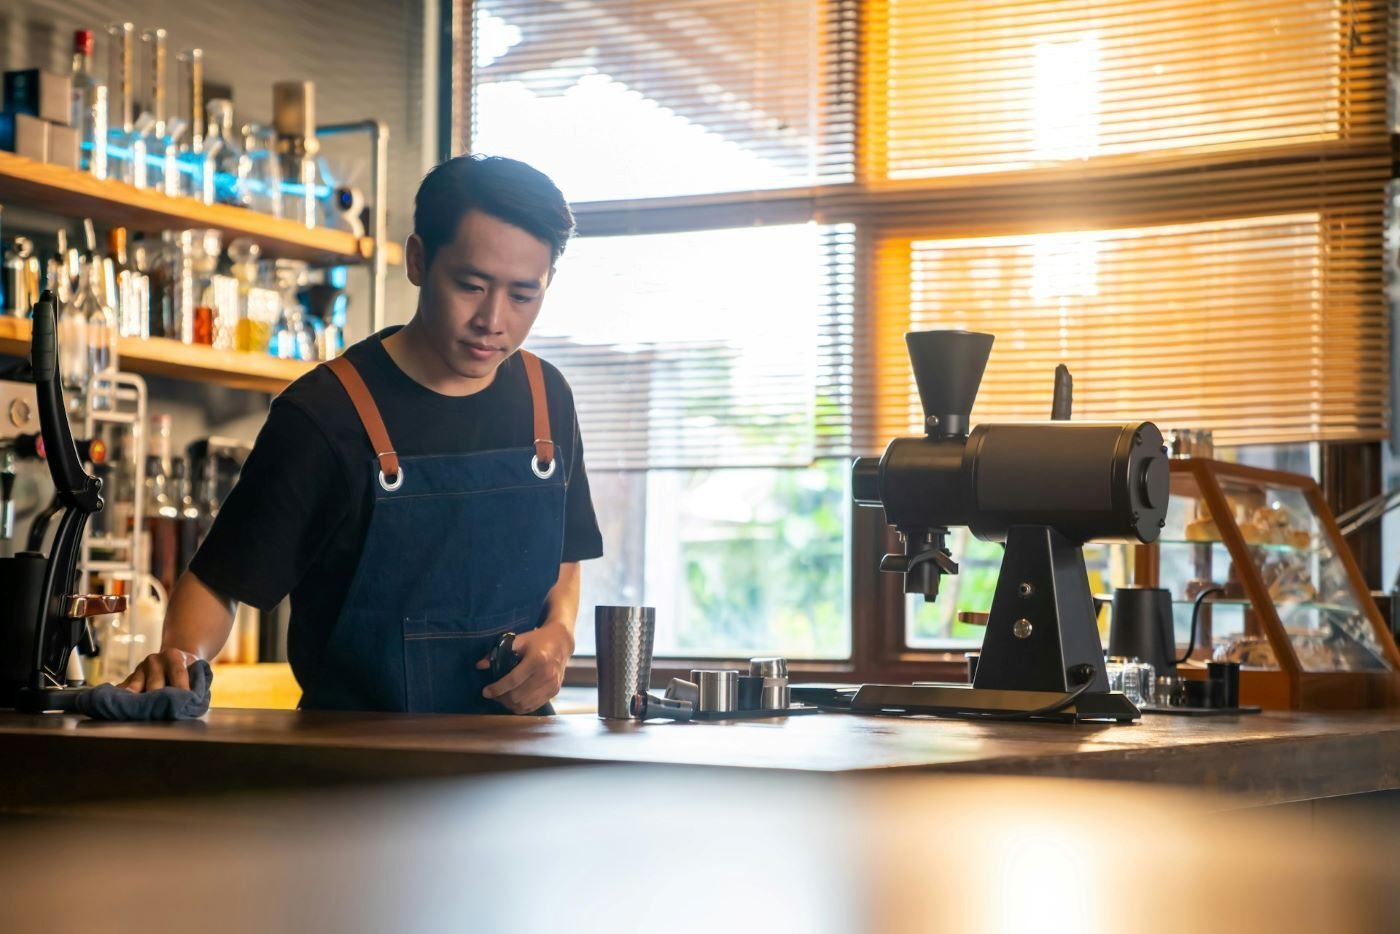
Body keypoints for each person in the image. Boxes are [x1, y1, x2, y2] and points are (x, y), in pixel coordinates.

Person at [120, 154, 603, 714]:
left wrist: (560, 635)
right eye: (471, 286)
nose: (493, 320)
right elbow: (219, 578)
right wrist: (179, 658)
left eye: (523, 295)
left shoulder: (548, 399)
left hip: (514, 764)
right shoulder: (325, 414)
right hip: (356, 767)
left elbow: (565, 554)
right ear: (418, 260)